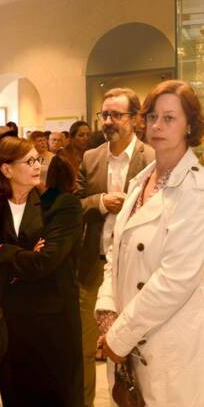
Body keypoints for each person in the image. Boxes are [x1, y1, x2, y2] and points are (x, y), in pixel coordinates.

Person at [95, 80, 204, 405]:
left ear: (190, 126)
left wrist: (119, 335)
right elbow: (115, 251)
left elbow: (175, 280)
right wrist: (106, 308)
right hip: (128, 344)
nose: (157, 125)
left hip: (167, 349)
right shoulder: (140, 180)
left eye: (170, 118)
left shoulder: (195, 191)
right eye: (153, 116)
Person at [0, 138, 84, 406]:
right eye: (29, 161)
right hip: (12, 318)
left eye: (38, 160)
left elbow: (45, 262)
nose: (37, 166)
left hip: (52, 321)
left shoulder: (60, 204)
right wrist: (27, 253)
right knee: (17, 394)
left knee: (55, 396)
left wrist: (5, 252)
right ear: (7, 170)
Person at [76, 88, 153, 406]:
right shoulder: (91, 158)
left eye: (116, 115)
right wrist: (100, 202)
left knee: (137, 347)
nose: (108, 121)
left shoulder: (151, 158)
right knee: (84, 349)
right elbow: (73, 204)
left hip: (136, 269)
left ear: (135, 119)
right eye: (104, 115)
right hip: (92, 265)